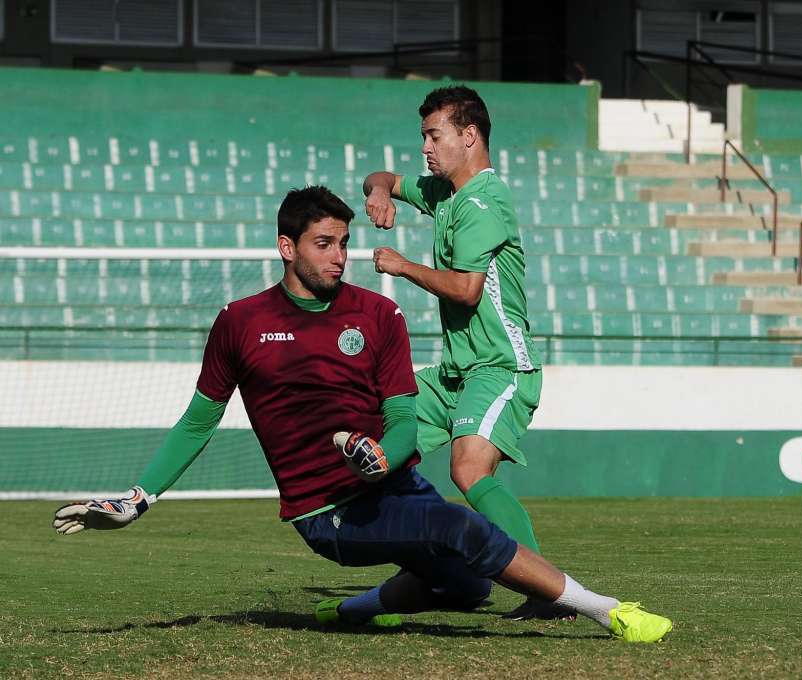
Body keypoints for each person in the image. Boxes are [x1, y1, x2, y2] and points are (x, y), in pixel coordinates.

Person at [52, 186, 672, 643]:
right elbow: (198, 421)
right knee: (458, 527)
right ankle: (606, 610)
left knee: (468, 586)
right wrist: (139, 497)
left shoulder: (378, 314)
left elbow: (402, 418)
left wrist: (383, 456)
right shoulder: (240, 323)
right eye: (323, 244)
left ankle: (351, 610)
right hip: (326, 512)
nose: (338, 257)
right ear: (286, 247)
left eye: (344, 244)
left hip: (392, 483)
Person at [363, 86, 552, 619]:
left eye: (433, 136)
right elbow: (382, 177)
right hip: (454, 374)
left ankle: (547, 591)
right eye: (423, 136)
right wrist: (379, 193)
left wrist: (403, 266)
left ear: (469, 137)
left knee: (469, 470)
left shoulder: (484, 203)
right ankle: (438, 572)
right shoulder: (446, 194)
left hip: (500, 367)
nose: (424, 147)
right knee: (376, 439)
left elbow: (467, 290)